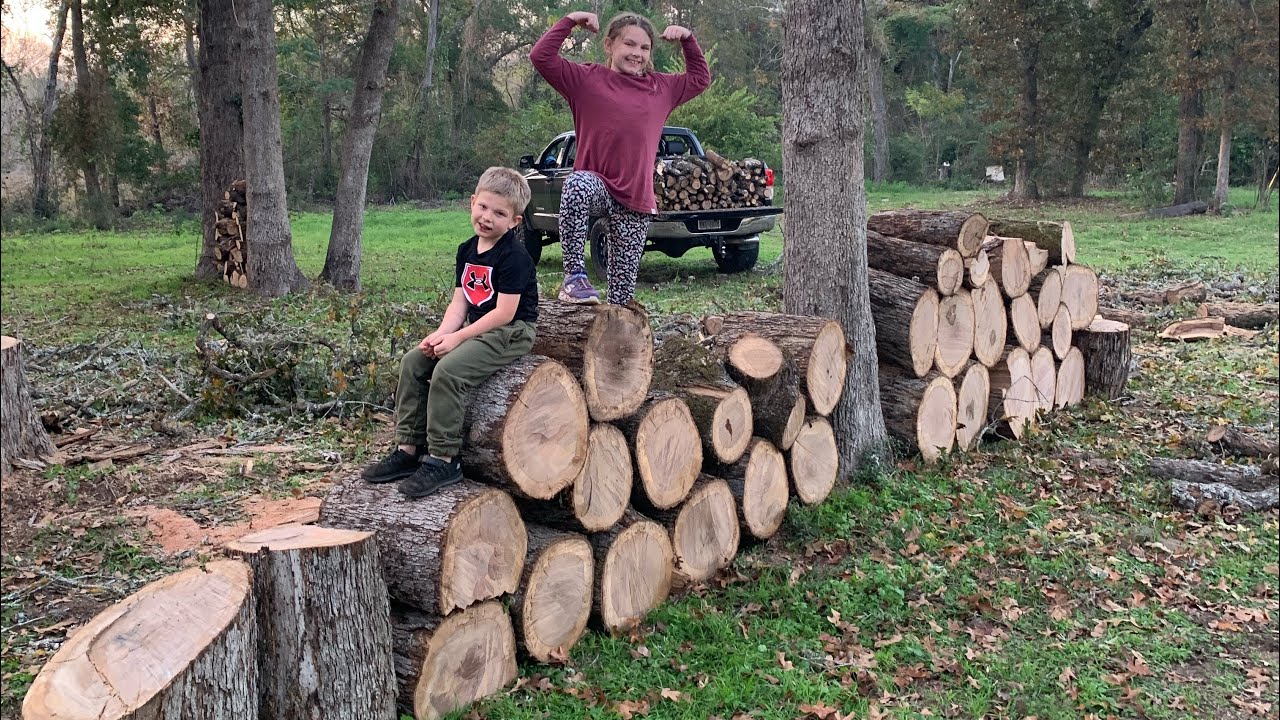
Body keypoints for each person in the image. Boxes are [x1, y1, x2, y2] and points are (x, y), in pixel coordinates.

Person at [361, 167, 538, 498]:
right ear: (472, 202)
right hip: (478, 328)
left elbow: (504, 313)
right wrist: (441, 334)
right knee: (415, 362)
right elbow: (460, 302)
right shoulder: (466, 250)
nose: (487, 217)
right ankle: (408, 450)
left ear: (514, 221)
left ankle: (444, 458)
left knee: (449, 371)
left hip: (511, 331)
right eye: (483, 207)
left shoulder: (515, 257)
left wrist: (459, 339)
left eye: (499, 213)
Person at [531, 10, 711, 306]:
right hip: (597, 187)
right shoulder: (585, 79)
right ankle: (574, 277)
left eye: (644, 47)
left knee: (622, 299)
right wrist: (571, 20)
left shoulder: (662, 88)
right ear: (609, 45)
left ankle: (614, 343)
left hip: (635, 199)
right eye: (629, 44)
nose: (636, 53)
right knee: (577, 185)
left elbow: (700, 78)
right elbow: (542, 57)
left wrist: (688, 41)